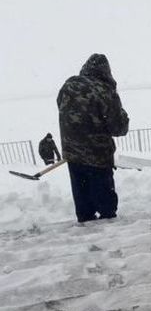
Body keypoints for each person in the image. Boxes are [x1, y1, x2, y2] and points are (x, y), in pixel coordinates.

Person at [57, 53, 129, 223]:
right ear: (106, 71)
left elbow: (63, 108)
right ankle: (110, 239)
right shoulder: (104, 90)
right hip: (97, 155)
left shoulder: (68, 85)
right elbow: (118, 127)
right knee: (106, 208)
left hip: (72, 154)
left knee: (83, 205)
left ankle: (86, 234)